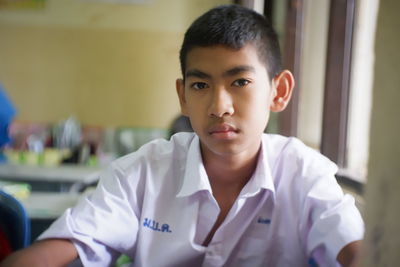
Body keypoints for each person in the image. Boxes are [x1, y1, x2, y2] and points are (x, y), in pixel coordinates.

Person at [1, 5, 364, 267]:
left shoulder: (304, 174)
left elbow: (353, 247)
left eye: (240, 82)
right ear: (183, 96)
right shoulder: (143, 173)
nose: (219, 106)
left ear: (278, 90)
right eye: (201, 84)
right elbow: (72, 242)